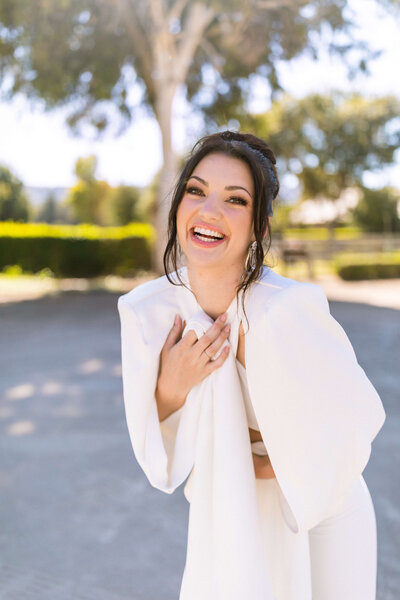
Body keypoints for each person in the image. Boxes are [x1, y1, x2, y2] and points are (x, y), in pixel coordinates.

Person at [117, 130, 386, 600]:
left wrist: (273, 463)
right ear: (178, 206)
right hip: (234, 514)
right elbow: (154, 451)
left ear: (260, 226)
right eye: (196, 191)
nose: (210, 211)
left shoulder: (288, 309)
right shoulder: (149, 313)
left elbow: (358, 418)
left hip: (324, 512)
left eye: (235, 200)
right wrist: (171, 389)